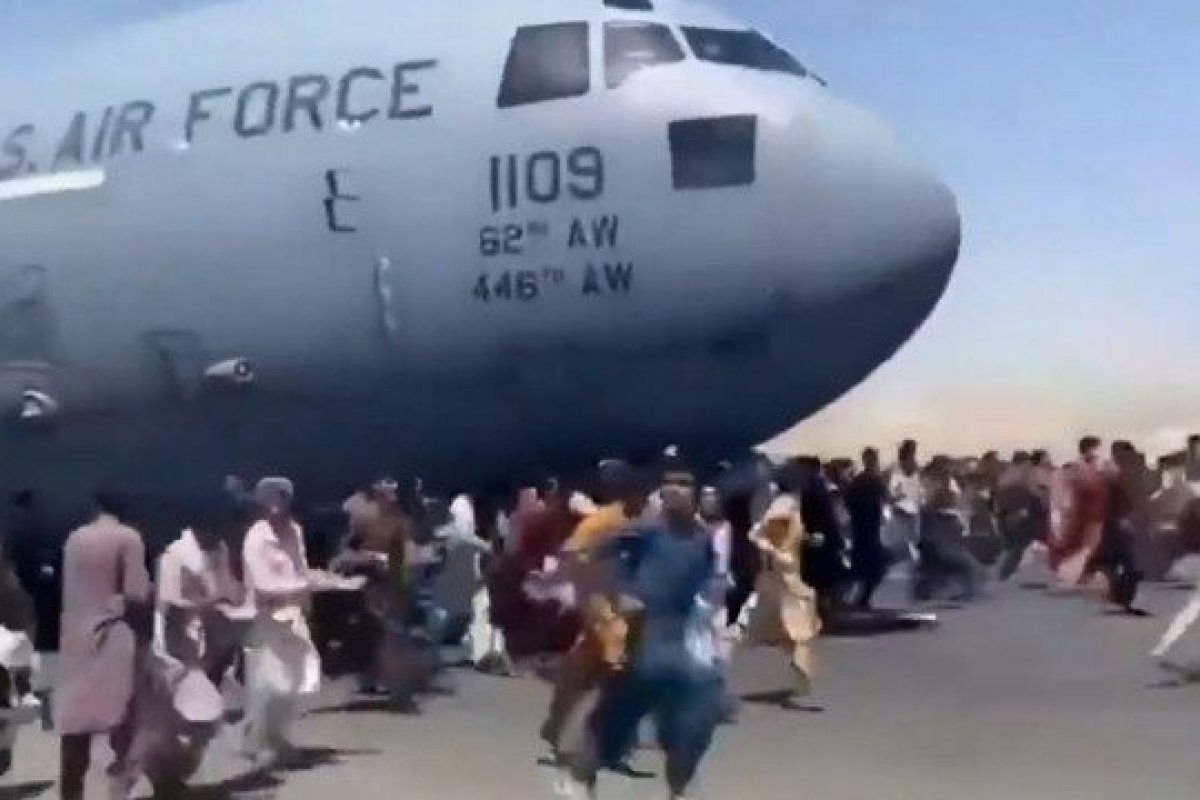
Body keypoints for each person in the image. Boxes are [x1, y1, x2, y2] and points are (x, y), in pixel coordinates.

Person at [571, 465, 723, 800]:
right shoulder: (645, 531)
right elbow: (585, 557)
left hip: (680, 646)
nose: (676, 489)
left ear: (697, 492)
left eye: (684, 483)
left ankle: (679, 790)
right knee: (611, 723)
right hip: (639, 643)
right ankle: (580, 782)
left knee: (690, 728)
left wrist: (710, 612)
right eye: (669, 483)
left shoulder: (703, 540)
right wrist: (616, 598)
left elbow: (710, 582)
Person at [56, 491, 153, 800]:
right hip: (113, 637)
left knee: (76, 725)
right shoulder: (128, 538)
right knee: (125, 721)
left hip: (75, 639)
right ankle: (119, 791)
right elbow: (136, 594)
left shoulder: (74, 539)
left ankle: (71, 793)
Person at [144, 508, 246, 795]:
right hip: (179, 645)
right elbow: (171, 604)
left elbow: (228, 588)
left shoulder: (219, 550)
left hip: (213, 642)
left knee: (204, 717)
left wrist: (234, 597)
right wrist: (212, 600)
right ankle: (165, 777)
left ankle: (174, 776)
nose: (218, 533)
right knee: (180, 717)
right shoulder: (175, 556)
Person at [240, 477, 321, 770]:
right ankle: (260, 743)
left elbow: (301, 567)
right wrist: (304, 586)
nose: (276, 504)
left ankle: (276, 739)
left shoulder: (295, 531)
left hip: (293, 616)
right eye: (270, 498)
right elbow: (262, 584)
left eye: (281, 497)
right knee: (268, 683)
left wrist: (310, 592)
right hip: (266, 618)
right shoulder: (256, 537)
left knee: (294, 682)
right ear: (262, 503)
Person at [746, 495, 821, 710]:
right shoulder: (766, 540)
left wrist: (810, 539)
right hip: (778, 589)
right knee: (790, 632)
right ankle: (800, 667)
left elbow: (800, 536)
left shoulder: (790, 532)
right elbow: (759, 539)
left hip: (785, 589)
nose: (781, 525)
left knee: (800, 633)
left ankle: (801, 669)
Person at [846, 448, 888, 609]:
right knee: (873, 567)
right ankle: (860, 599)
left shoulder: (860, 480)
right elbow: (886, 497)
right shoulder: (871, 480)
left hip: (864, 528)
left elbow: (848, 501)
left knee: (865, 567)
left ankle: (860, 599)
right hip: (866, 528)